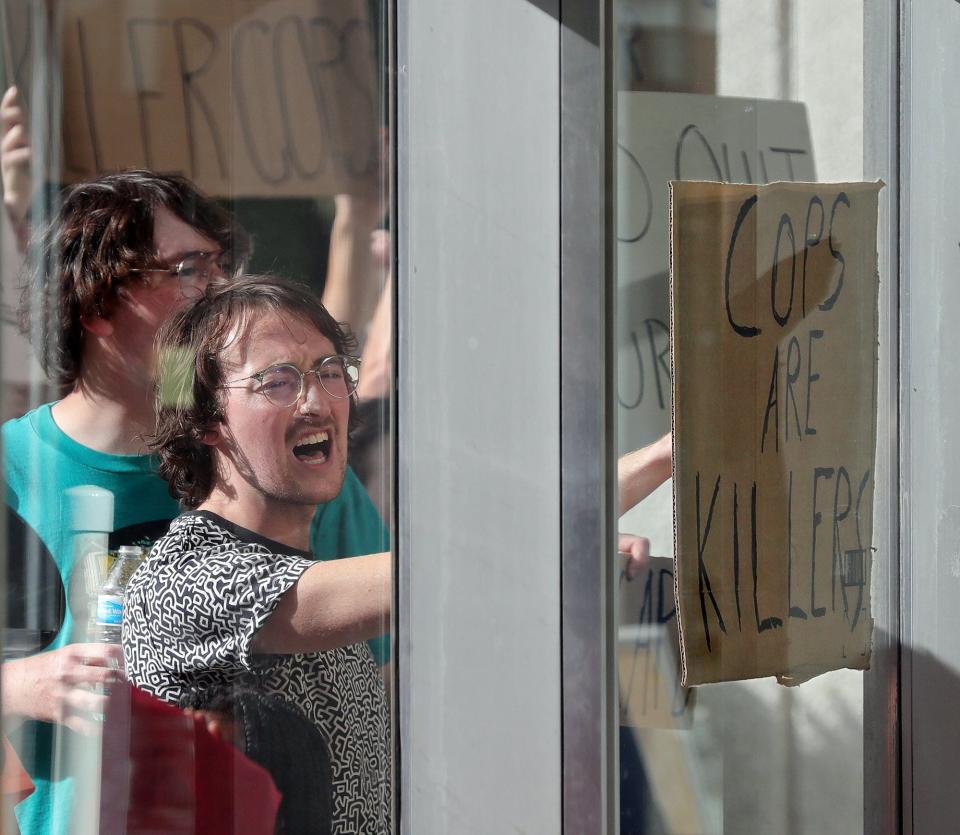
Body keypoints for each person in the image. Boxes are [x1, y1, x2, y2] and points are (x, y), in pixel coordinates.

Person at [0, 169, 387, 835]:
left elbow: (394, 651)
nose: (218, 289)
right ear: (95, 306)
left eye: (219, 264)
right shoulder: (12, 469)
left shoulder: (284, 465)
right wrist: (12, 686)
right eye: (188, 268)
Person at [123, 275, 391, 832]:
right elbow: (427, 579)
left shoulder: (304, 570)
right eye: (279, 382)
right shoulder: (183, 578)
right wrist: (566, 536)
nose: (316, 401)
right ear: (204, 419)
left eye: (330, 372)